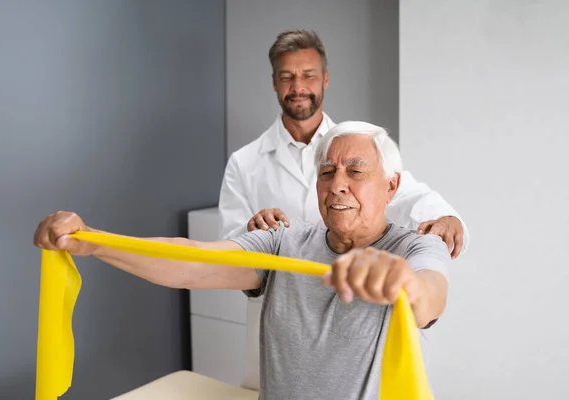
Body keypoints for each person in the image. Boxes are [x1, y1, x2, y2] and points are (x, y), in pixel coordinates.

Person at [34, 121, 450, 400]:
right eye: (327, 172)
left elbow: (429, 296)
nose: (337, 185)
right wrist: (93, 243)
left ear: (391, 186)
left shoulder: (414, 249)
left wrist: (402, 282)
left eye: (355, 172)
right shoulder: (283, 240)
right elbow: (193, 262)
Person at [217, 29, 467, 389]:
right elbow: (228, 253)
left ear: (325, 79)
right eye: (287, 76)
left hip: (355, 325)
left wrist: (447, 218)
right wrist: (250, 231)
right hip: (283, 326)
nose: (298, 85)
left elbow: (407, 192)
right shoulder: (244, 162)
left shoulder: (356, 144)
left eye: (308, 75)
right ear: (274, 83)